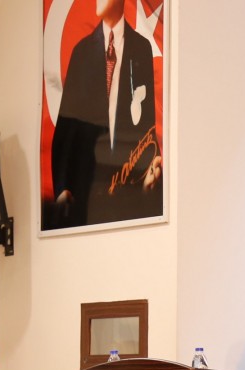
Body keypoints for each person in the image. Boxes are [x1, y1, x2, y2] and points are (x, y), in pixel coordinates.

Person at [50, 0, 162, 228]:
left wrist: (151, 171)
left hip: (127, 197)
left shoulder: (141, 48)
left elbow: (146, 124)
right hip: (85, 196)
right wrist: (62, 188)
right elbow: (65, 130)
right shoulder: (82, 52)